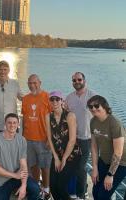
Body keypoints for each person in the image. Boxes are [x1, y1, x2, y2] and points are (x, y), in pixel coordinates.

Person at [0, 113, 43, 200]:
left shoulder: (21, 140)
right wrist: (15, 175)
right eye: (9, 123)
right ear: (5, 124)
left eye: (14, 123)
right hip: (1, 180)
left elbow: (23, 164)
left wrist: (24, 186)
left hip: (17, 175)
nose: (12, 125)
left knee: (35, 189)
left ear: (18, 124)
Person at [87, 95, 126, 200]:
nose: (93, 108)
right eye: (90, 107)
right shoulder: (93, 122)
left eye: (96, 105)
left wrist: (110, 175)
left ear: (105, 106)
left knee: (103, 196)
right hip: (104, 160)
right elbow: (94, 146)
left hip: (120, 163)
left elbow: (118, 153)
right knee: (95, 192)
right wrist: (94, 168)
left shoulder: (115, 124)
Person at [45, 91, 81, 200]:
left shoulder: (70, 116)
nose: (55, 101)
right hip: (57, 155)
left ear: (62, 101)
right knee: (53, 187)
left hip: (71, 156)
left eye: (57, 99)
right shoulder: (48, 116)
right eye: (52, 99)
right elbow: (50, 138)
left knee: (61, 187)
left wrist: (64, 158)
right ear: (49, 102)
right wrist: (56, 158)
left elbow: (72, 140)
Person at [65, 71, 96, 199]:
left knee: (80, 167)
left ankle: (81, 195)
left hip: (86, 139)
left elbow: (101, 116)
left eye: (79, 80)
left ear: (84, 80)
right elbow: (65, 115)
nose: (76, 82)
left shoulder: (93, 96)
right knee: (73, 165)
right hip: (72, 138)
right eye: (74, 80)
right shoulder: (69, 97)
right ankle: (79, 190)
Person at [21, 74, 52, 199]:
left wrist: (50, 138)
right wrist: (22, 135)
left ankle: (46, 189)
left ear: (40, 82)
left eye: (34, 82)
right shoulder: (25, 98)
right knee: (33, 165)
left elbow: (52, 119)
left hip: (43, 139)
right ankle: (36, 188)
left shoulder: (47, 97)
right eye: (29, 83)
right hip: (28, 139)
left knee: (45, 166)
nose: (32, 85)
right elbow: (24, 118)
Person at [0, 60, 23, 139]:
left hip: (12, 126)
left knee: (13, 150)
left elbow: (22, 98)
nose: (3, 72)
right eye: (0, 69)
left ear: (9, 70)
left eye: (5, 69)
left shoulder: (15, 84)